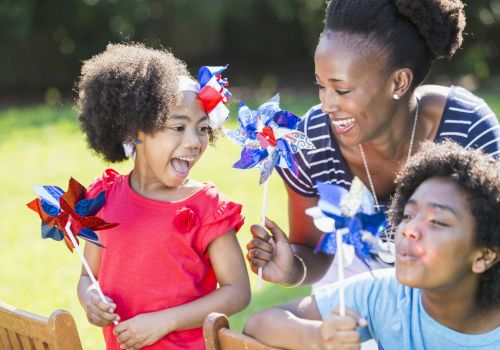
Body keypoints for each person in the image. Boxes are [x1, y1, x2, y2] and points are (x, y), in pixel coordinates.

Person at [246, 0, 500, 291]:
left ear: (399, 83)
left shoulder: (467, 128)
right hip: (353, 279)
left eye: (342, 90)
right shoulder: (309, 139)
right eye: (320, 86)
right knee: (269, 325)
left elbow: (489, 244)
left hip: (449, 286)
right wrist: (292, 268)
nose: (326, 104)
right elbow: (313, 252)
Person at [75, 43, 251, 350]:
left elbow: (237, 291)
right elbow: (87, 275)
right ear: (133, 133)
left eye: (203, 129)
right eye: (178, 127)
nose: (195, 141)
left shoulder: (207, 206)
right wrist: (90, 297)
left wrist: (165, 320)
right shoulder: (103, 199)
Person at [244, 141, 500, 350]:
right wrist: (317, 337)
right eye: (408, 216)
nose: (409, 230)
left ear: (484, 256)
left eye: (437, 222)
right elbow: (258, 323)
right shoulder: (385, 294)